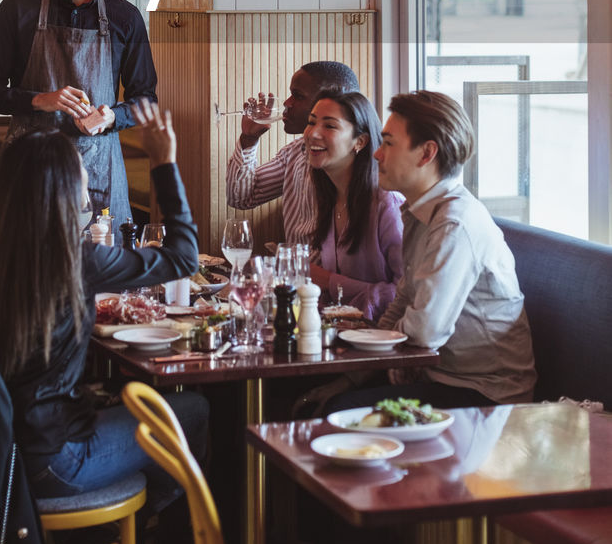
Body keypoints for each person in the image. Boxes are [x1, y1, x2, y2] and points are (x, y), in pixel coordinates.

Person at [0, 99, 207, 544]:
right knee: (196, 411)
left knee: (131, 395)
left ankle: (126, 540)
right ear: (63, 194)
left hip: (8, 451)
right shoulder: (74, 257)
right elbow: (183, 256)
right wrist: (163, 162)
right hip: (56, 461)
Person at [328, 89, 536, 413]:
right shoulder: (419, 212)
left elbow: (425, 331)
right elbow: (402, 303)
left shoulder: (454, 223)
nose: (377, 155)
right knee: (323, 393)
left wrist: (378, 359)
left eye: (389, 143)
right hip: (438, 378)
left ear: (426, 154)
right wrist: (358, 374)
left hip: (485, 397)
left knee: (339, 411)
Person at [0, 0, 157, 227]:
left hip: (99, 170)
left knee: (106, 268)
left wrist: (112, 116)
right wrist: (38, 99)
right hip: (29, 166)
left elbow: (146, 99)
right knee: (28, 267)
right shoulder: (18, 9)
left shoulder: (125, 17)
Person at [225, 60, 359, 248]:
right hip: (297, 274)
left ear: (334, 100)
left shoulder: (365, 166)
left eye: (297, 95)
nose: (287, 103)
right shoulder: (296, 152)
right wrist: (249, 139)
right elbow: (240, 198)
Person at [305, 89, 403, 319]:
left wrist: (330, 282)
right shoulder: (329, 198)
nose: (313, 134)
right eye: (311, 122)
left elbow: (407, 294)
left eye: (329, 126)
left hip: (385, 341)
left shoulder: (387, 206)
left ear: (359, 141)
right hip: (342, 337)